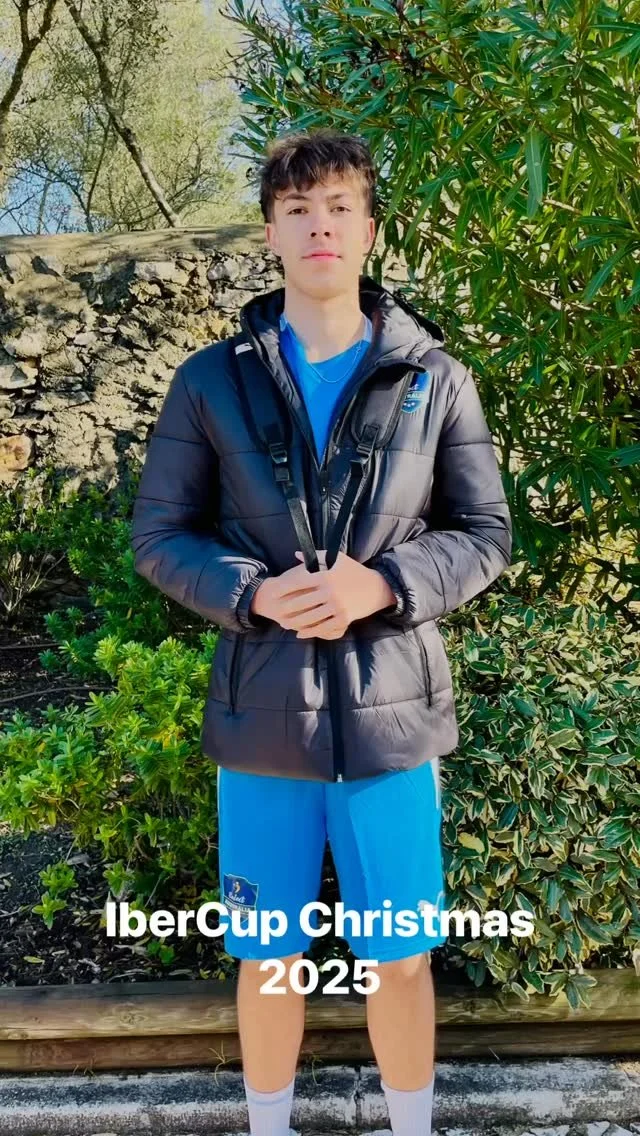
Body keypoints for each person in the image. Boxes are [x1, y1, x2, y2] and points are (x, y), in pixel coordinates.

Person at [131, 127, 512, 1136]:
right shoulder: (210, 381)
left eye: (339, 207)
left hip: (394, 726)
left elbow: (484, 533)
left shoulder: (436, 378)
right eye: (297, 210)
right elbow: (159, 535)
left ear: (370, 229)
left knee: (401, 955)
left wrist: (382, 583)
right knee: (267, 955)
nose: (319, 227)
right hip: (263, 722)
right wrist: (254, 594)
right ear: (270, 233)